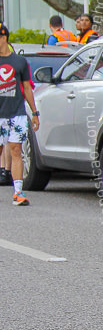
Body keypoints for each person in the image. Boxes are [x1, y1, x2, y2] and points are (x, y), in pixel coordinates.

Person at [0, 24, 40, 205]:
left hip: (16, 113)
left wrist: (34, 112)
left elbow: (26, 88)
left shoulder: (20, 62)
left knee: (16, 151)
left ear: (4, 38)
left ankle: (18, 192)